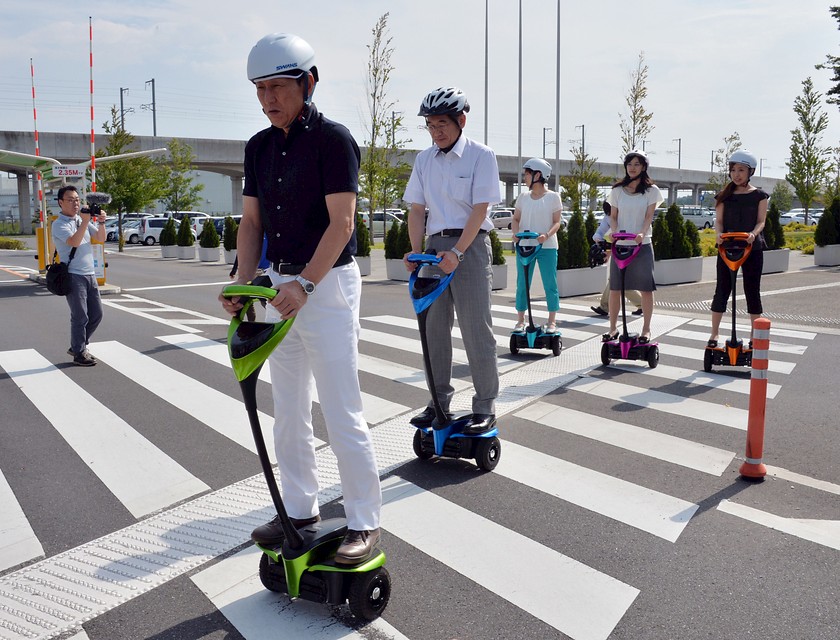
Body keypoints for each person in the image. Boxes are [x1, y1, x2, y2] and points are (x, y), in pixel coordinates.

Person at [220, 33, 381, 565]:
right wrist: (245, 286)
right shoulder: (258, 146)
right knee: (287, 411)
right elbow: (251, 222)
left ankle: (363, 521)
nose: (269, 99)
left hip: (326, 286)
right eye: (260, 89)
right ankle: (301, 508)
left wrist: (305, 285)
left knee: (341, 410)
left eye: (279, 87)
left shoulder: (333, 141)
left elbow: (343, 224)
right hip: (275, 288)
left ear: (307, 84)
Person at [403, 86, 501, 435]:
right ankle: (438, 401)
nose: (436, 131)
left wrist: (457, 252)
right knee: (434, 331)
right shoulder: (424, 159)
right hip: (433, 249)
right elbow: (417, 208)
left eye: (441, 123)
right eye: (430, 125)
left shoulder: (480, 155)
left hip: (469, 246)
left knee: (476, 328)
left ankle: (485, 405)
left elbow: (481, 208)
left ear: (461, 120)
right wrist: (416, 252)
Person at [708, 150, 768, 347]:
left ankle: (754, 336)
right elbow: (718, 221)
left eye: (741, 170)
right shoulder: (724, 196)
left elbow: (761, 222)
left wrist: (753, 234)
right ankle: (714, 334)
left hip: (752, 247)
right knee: (722, 290)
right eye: (733, 170)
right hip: (727, 247)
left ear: (750, 172)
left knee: (752, 290)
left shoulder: (759, 195)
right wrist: (718, 234)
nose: (736, 174)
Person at [604, 149, 663, 343]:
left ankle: (646, 329)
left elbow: (648, 217)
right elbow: (613, 217)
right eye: (630, 164)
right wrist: (614, 231)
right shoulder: (617, 191)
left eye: (637, 164)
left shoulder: (651, 191)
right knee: (615, 287)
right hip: (621, 244)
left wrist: (641, 233)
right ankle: (612, 328)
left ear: (644, 167)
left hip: (642, 244)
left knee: (646, 288)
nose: (632, 168)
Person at [51, 185, 107, 366]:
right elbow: (74, 241)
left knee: (97, 314)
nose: (75, 203)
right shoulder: (59, 224)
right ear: (61, 203)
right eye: (71, 200)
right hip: (74, 275)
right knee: (80, 316)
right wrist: (84, 221)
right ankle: (79, 352)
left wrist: (101, 222)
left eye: (77, 199)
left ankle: (79, 345)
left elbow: (100, 237)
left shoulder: (80, 220)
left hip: (90, 274)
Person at [511, 158, 563, 333]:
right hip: (525, 246)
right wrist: (515, 234)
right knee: (522, 283)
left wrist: (546, 235)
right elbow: (516, 219)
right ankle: (520, 320)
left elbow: (557, 222)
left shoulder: (553, 197)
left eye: (527, 174)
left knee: (550, 283)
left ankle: (552, 321)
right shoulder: (523, 197)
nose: (524, 177)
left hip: (546, 247)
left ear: (538, 175)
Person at [590, 201, 643, 317]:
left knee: (618, 280)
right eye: (608, 212)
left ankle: (605, 306)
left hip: (631, 249)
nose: (610, 215)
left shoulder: (627, 216)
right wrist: (600, 241)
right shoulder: (609, 218)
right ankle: (641, 305)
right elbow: (599, 233)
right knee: (617, 280)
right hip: (617, 249)